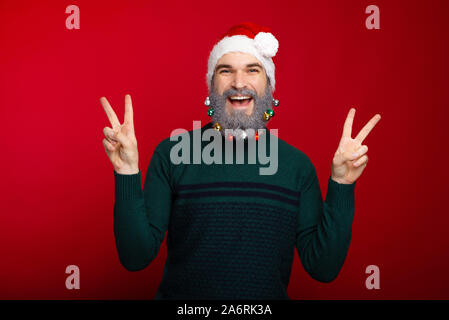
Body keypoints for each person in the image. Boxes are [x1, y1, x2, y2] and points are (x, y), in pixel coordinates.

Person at [100, 22, 381, 300]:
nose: (238, 82)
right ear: (211, 85)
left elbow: (323, 268)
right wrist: (126, 172)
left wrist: (342, 184)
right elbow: (135, 257)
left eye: (252, 69)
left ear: (268, 86)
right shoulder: (173, 154)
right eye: (226, 71)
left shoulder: (297, 168)